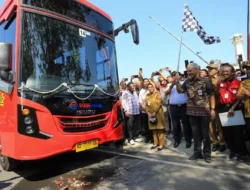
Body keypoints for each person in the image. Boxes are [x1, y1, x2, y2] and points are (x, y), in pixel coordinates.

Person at [176, 63, 215, 163]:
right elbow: (180, 91)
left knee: (205, 134)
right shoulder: (187, 82)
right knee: (195, 133)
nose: (188, 73)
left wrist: (213, 109)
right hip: (191, 111)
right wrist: (176, 83)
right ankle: (197, 152)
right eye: (187, 71)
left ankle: (207, 154)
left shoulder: (206, 80)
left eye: (190, 71)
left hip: (204, 111)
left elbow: (211, 95)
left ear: (197, 70)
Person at [217, 64, 247, 160]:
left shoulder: (238, 83)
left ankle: (242, 152)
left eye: (227, 71)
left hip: (235, 108)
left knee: (237, 132)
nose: (225, 73)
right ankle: (232, 150)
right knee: (227, 132)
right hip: (223, 108)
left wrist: (233, 107)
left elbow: (241, 97)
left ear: (233, 72)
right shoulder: (220, 83)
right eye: (223, 71)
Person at [165, 71, 192, 149]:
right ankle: (177, 140)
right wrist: (171, 86)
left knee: (186, 124)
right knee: (175, 125)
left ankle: (188, 140)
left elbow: (182, 91)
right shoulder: (169, 84)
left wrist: (177, 84)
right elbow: (166, 93)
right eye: (173, 75)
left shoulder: (184, 83)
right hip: (173, 107)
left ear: (180, 76)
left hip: (183, 106)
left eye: (176, 75)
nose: (174, 77)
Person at [206, 63, 226, 152]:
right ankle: (215, 142)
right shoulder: (206, 80)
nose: (209, 70)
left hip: (219, 105)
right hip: (208, 105)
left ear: (217, 70)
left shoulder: (221, 79)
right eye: (209, 69)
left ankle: (222, 142)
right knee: (211, 125)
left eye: (211, 69)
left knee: (220, 125)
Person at [144, 82, 166, 151]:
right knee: (153, 129)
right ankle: (155, 143)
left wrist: (154, 112)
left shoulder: (157, 94)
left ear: (153, 87)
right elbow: (146, 105)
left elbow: (159, 103)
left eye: (151, 87)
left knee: (159, 128)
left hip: (158, 114)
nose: (150, 88)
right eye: (149, 87)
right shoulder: (147, 95)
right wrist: (148, 113)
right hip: (150, 115)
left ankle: (161, 144)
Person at [139, 78, 153, 143]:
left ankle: (152, 137)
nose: (146, 83)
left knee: (152, 124)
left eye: (147, 81)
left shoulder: (151, 89)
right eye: (145, 82)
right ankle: (147, 137)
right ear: (143, 83)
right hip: (144, 111)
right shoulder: (141, 91)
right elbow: (140, 100)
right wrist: (144, 107)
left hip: (152, 111)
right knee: (146, 125)